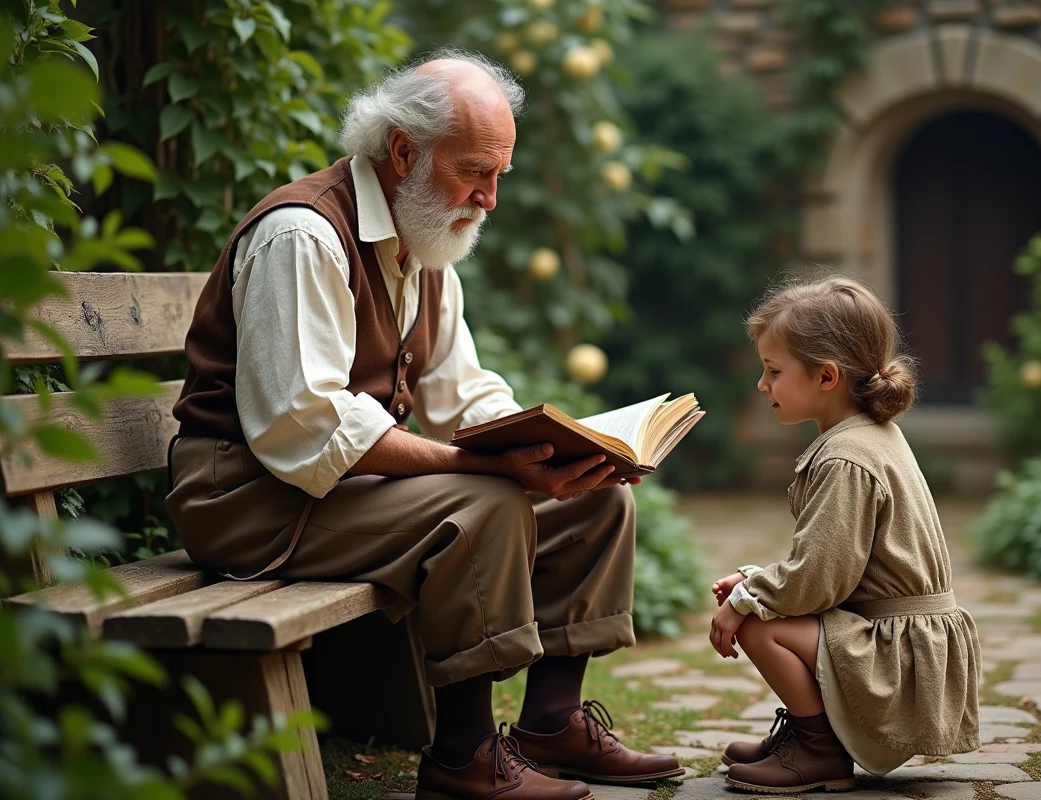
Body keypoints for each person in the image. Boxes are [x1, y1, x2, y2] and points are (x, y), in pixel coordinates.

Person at [165, 48, 681, 800]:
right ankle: (461, 759)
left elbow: (461, 394)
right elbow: (303, 425)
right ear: (404, 152)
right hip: (245, 498)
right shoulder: (302, 235)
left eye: (500, 174)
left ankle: (552, 725)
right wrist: (487, 468)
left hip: (331, 489)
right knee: (484, 504)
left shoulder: (427, 248)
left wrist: (560, 449)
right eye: (475, 171)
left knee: (596, 502)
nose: (490, 198)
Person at [707, 276, 982, 794]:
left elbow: (817, 581)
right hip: (899, 645)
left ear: (827, 376)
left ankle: (818, 749)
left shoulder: (845, 458)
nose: (762, 385)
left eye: (774, 371)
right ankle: (811, 733)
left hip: (897, 661)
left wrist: (746, 600)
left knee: (758, 625)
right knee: (762, 606)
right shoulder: (872, 435)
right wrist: (755, 583)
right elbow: (832, 567)